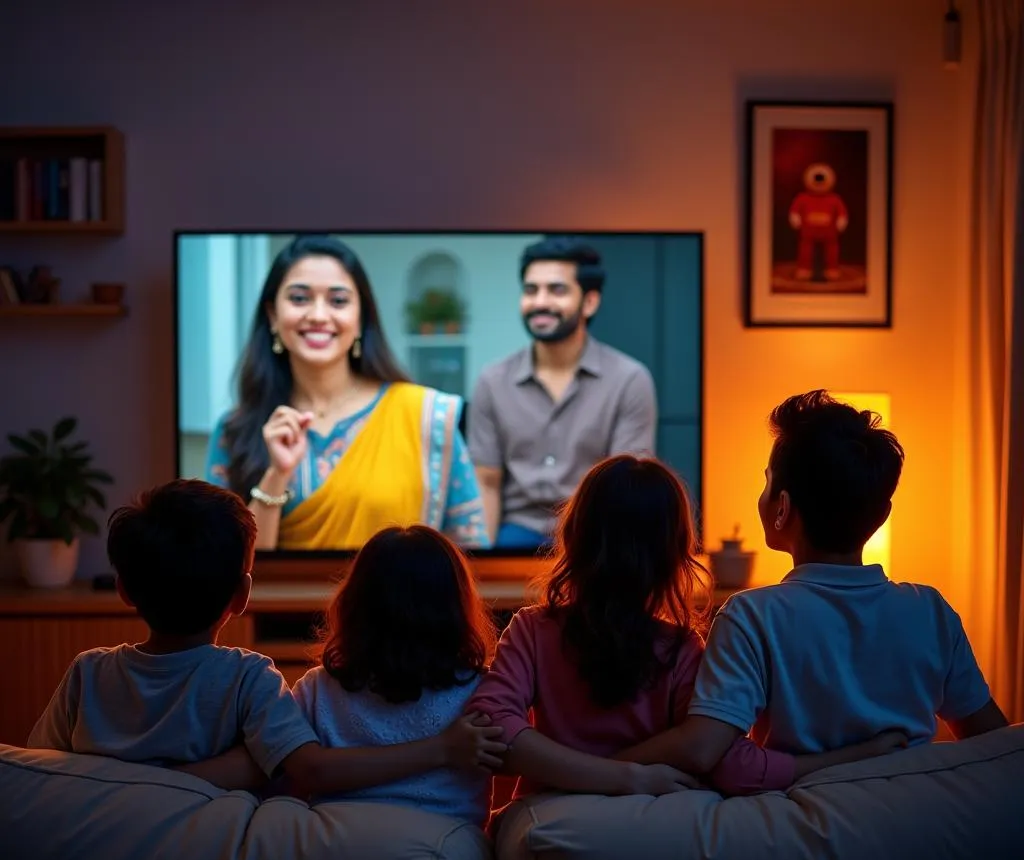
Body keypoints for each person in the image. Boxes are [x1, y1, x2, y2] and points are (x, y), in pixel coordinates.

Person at [615, 391, 1010, 780]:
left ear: (782, 508)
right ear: (882, 514)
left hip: (798, 822)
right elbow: (995, 742)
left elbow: (702, 749)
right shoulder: (931, 611)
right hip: (911, 821)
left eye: (767, 484)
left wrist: (594, 766)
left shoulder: (751, 616)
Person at [465, 455, 902, 801]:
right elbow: (734, 766)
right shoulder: (682, 649)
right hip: (653, 826)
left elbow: (492, 726)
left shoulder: (530, 629)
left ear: (575, 536)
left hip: (548, 818)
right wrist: (856, 756)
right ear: (676, 555)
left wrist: (588, 776)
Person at [27, 480, 503, 796]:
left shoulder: (85, 673)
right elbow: (300, 767)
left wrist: (122, 785)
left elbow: (35, 773)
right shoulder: (248, 678)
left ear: (124, 589)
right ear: (243, 594)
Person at [205, 234, 488, 551]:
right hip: (280, 602)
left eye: (338, 301)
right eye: (300, 298)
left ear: (361, 318)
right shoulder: (236, 430)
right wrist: (276, 475)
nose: (318, 315)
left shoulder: (427, 416)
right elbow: (224, 573)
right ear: (273, 315)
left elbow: (471, 550)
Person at [290, 525, 502, 827]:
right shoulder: (482, 690)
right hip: (445, 852)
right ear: (456, 606)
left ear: (353, 602)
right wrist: (442, 749)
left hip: (336, 850)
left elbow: (305, 774)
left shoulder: (316, 689)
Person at [468, 236, 657, 548]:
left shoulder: (629, 379)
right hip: (515, 534)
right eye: (531, 290)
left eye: (556, 290)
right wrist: (484, 567)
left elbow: (627, 490)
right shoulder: (492, 380)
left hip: (594, 535)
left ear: (590, 302)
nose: (540, 302)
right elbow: (485, 484)